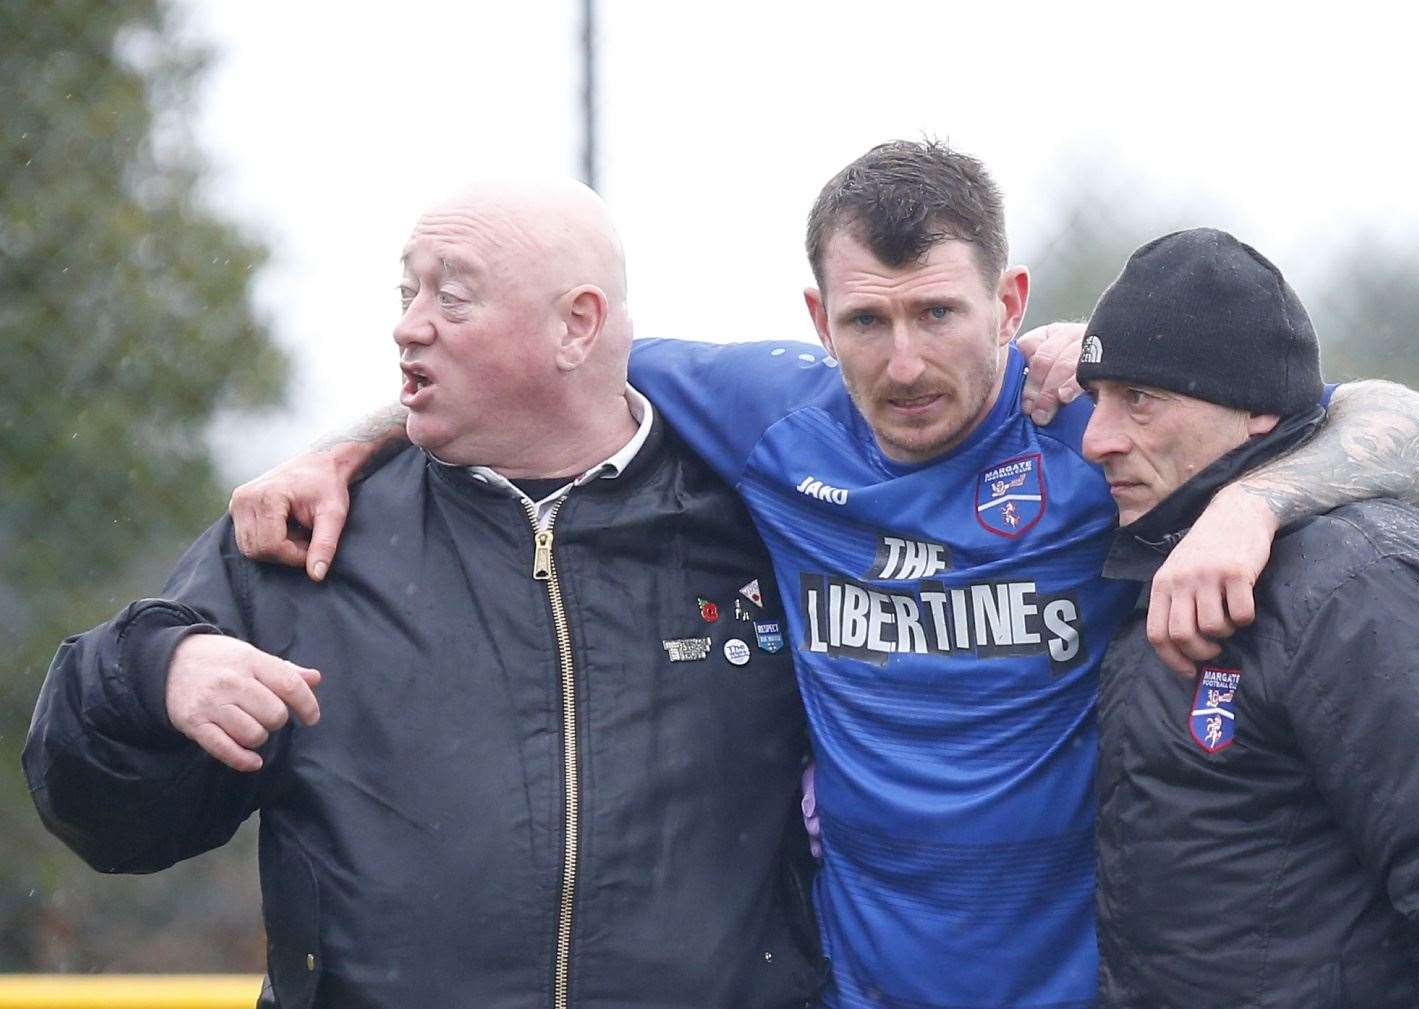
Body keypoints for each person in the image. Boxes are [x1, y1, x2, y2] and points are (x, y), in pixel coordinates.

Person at [229, 142, 1419, 1009]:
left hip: (1088, 973)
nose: (901, 362)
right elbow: (531, 371)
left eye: (939, 313)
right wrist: (340, 446)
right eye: (865, 321)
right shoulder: (767, 412)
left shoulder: (1092, 428)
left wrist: (1254, 507)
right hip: (856, 979)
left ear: (1009, 298)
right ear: (813, 313)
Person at [23, 179, 825, 1009]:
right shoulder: (310, 531)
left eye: (454, 295)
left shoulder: (761, 520)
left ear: (577, 324)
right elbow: (108, 821)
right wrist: (158, 673)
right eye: (407, 292)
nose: (409, 325)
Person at [1080, 228, 1419, 1008]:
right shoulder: (1156, 562)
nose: (1096, 439)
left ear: (1252, 407)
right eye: (1096, 398)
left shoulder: (1363, 579)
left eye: (1139, 400)